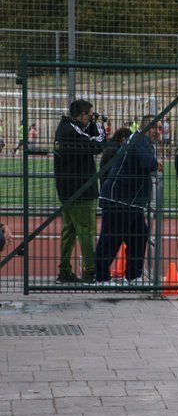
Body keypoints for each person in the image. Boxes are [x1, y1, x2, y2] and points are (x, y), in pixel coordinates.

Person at [95, 115, 162, 285]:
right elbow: (146, 163)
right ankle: (101, 277)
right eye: (154, 128)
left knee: (139, 235)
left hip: (131, 201)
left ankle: (133, 276)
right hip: (119, 199)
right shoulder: (138, 140)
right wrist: (156, 163)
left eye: (159, 128)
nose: (157, 132)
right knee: (111, 238)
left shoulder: (142, 141)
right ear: (143, 127)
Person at [53, 100, 106, 283]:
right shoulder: (70, 129)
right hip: (80, 190)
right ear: (82, 114)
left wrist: (91, 124)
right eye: (89, 115)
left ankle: (65, 270)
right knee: (86, 231)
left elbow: (85, 140)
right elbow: (97, 145)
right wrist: (99, 126)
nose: (91, 118)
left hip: (69, 189)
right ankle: (90, 271)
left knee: (69, 231)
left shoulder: (66, 128)